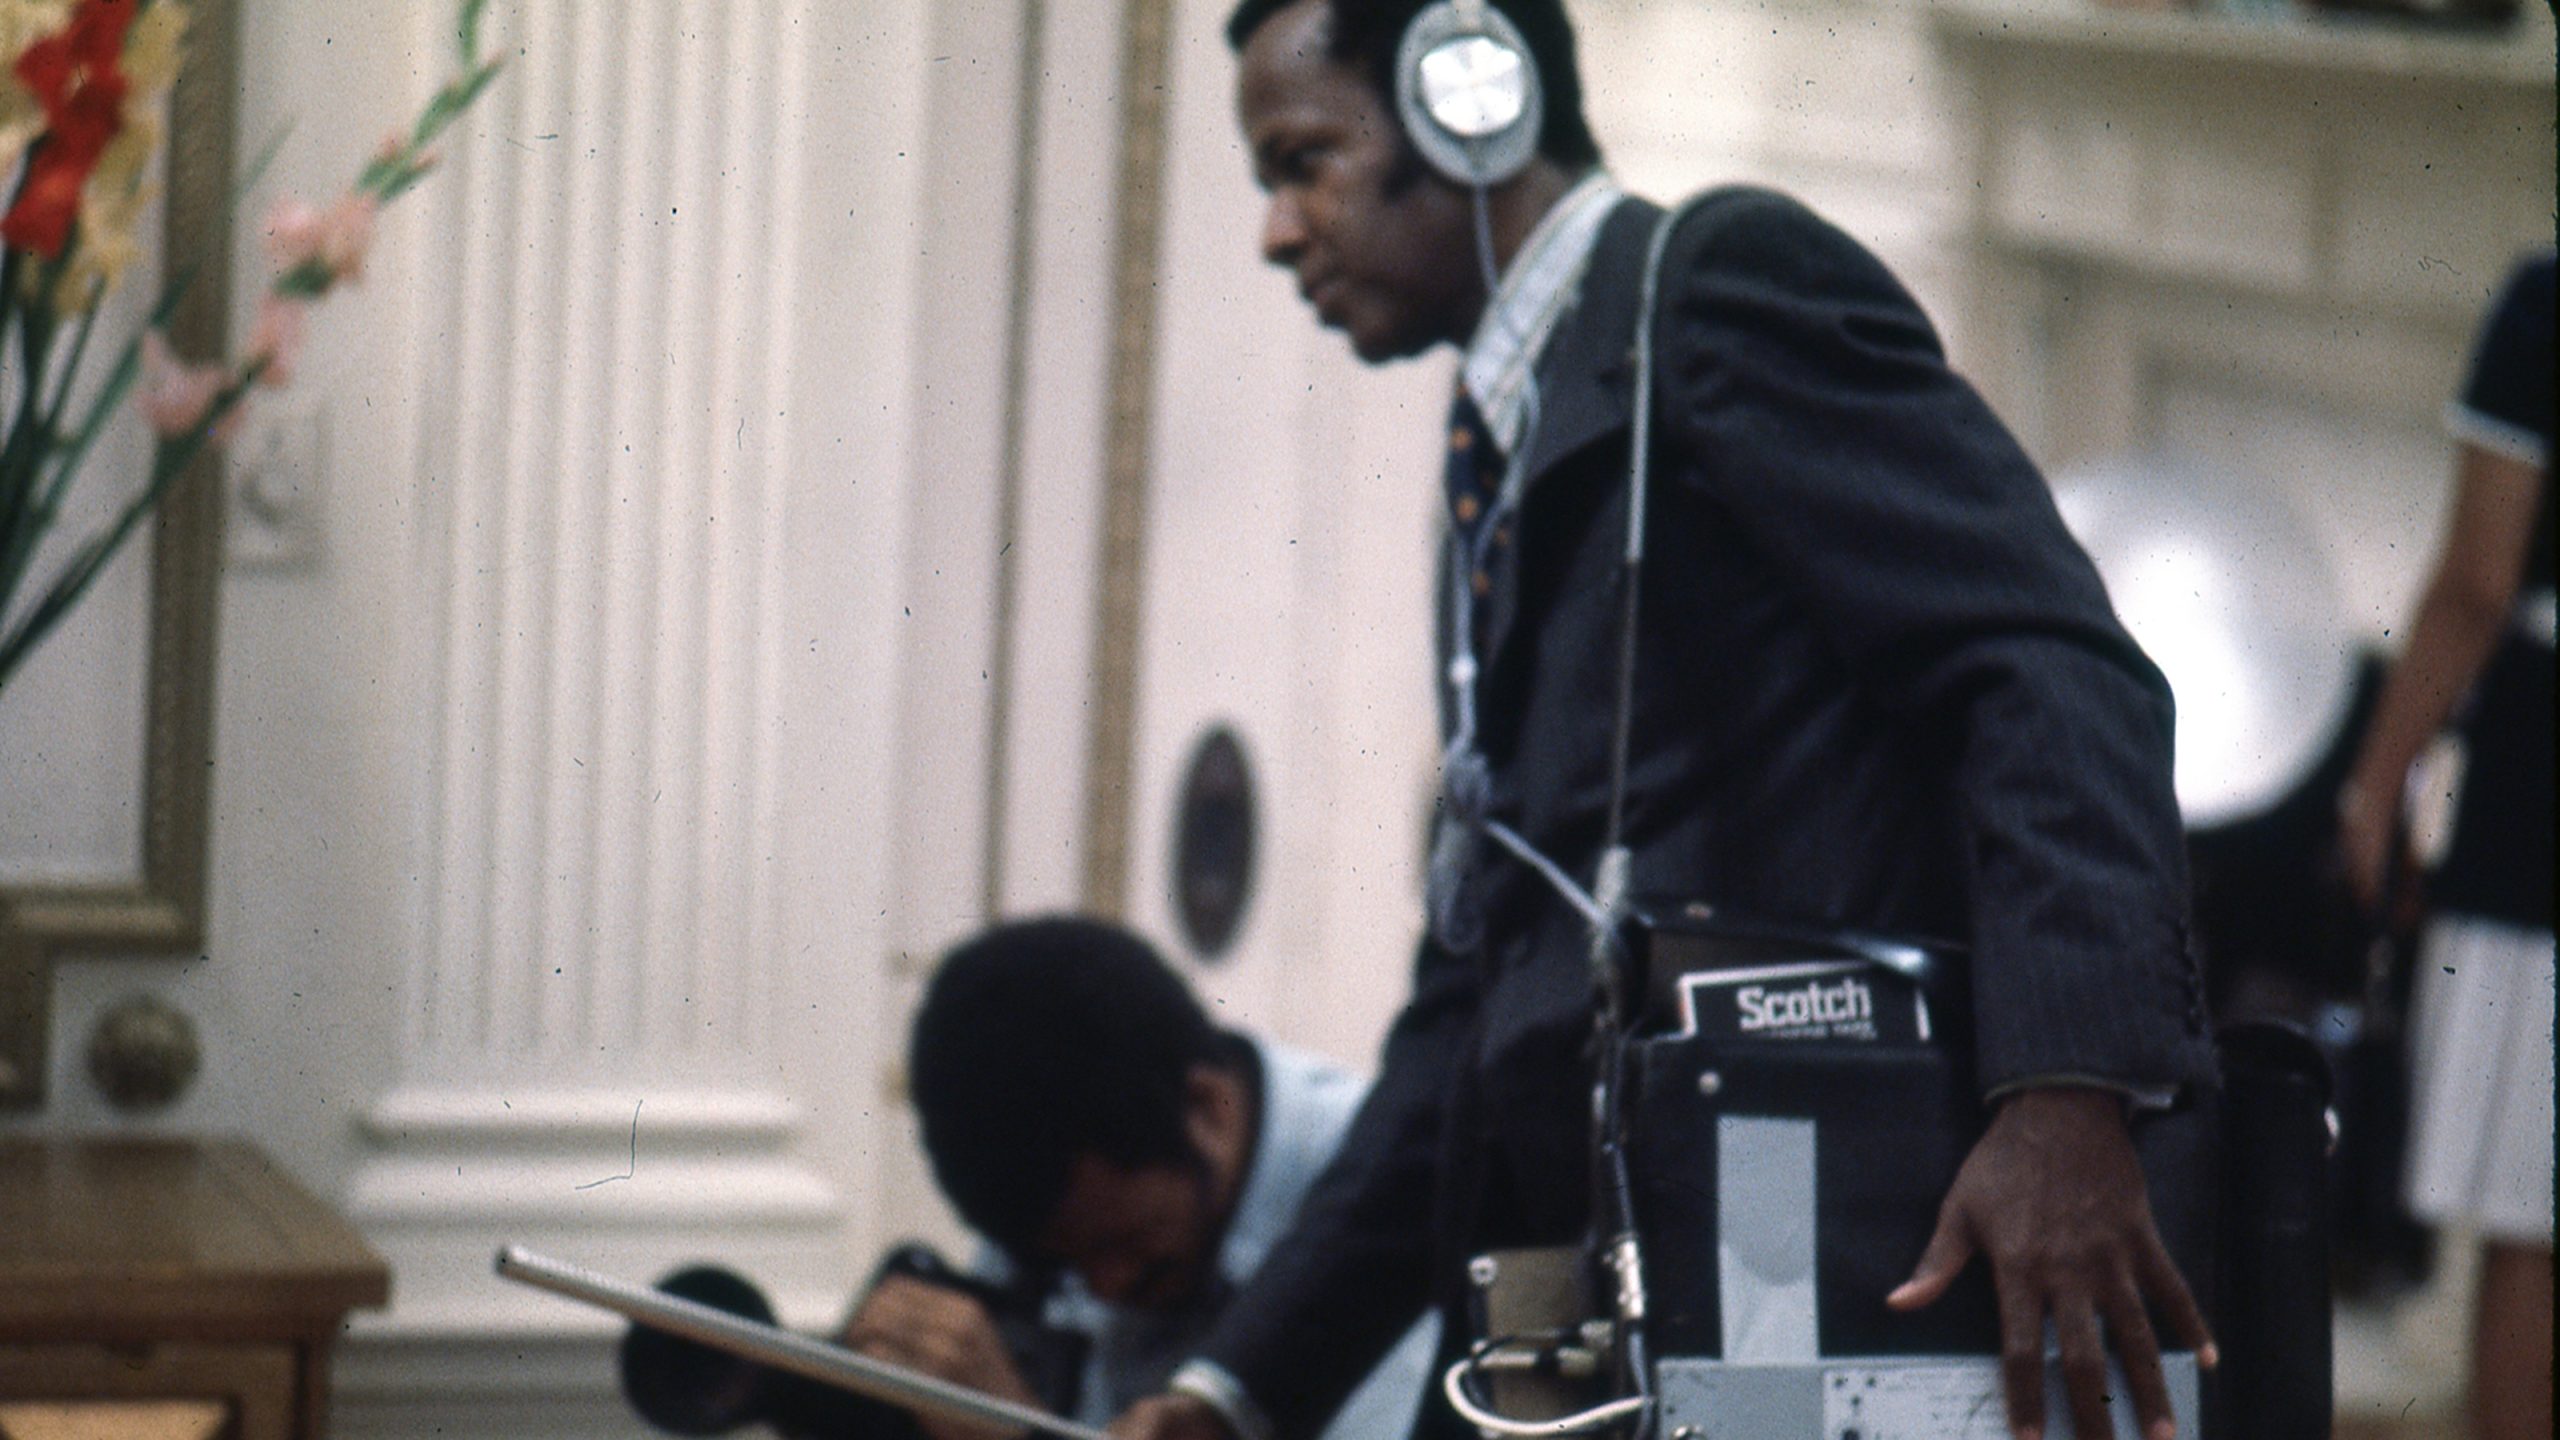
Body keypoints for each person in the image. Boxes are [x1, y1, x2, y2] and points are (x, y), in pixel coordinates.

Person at [1112, 3, 2224, 1439]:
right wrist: (1233, 1389)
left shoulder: (1715, 288)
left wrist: (2068, 1099)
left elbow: (2048, 665)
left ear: (1475, 106)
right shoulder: (1501, 464)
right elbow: (1478, 995)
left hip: (1791, 1242)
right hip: (1583, 1291)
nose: (1277, 231)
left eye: (1302, 161)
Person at [840, 916, 1436, 1440]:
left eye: (1121, 1242)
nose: (1103, 1287)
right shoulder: (1053, 1193)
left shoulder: (1389, 1205)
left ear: (1206, 1107)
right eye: (1063, 1267)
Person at [2335, 252, 2552, 1440]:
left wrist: (2376, 783)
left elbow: (2475, 582)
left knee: (2531, 1224)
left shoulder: (2543, 301)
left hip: (2541, 814)